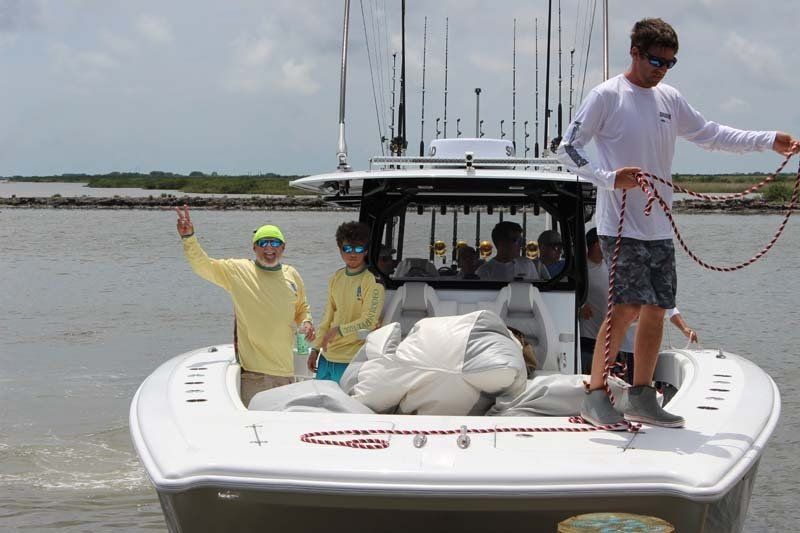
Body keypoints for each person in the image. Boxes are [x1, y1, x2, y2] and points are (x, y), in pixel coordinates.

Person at [557, 17, 799, 428]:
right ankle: (596, 395)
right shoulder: (606, 96)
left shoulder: (670, 98)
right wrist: (609, 177)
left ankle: (641, 395)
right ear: (634, 52)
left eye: (670, 62)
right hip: (620, 224)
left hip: (659, 227)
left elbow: (711, 134)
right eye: (655, 60)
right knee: (627, 308)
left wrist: (766, 139)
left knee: (657, 309)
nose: (662, 69)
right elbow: (567, 148)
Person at [175, 205, 314, 407]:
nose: (269, 247)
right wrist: (189, 238)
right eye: (263, 242)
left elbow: (301, 308)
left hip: (286, 372)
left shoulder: (292, 274)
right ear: (254, 248)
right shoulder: (238, 270)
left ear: (283, 247)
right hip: (255, 375)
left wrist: (307, 322)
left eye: (275, 242)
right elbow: (203, 266)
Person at [308, 221, 385, 383]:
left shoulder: (373, 281)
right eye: (348, 249)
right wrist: (315, 348)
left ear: (365, 251)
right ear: (340, 250)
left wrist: (339, 331)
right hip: (327, 358)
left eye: (358, 249)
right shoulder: (336, 277)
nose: (353, 254)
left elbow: (369, 321)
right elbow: (327, 317)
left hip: (353, 360)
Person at [476, 221, 550, 281]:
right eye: (517, 240)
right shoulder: (484, 271)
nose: (521, 245)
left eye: (521, 240)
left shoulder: (527, 264)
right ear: (501, 243)